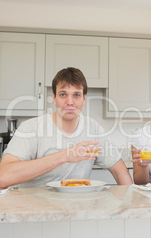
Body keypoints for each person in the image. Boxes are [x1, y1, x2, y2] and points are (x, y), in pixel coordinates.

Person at [0, 67, 132, 188]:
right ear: (54, 98)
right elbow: (3, 177)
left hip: (76, 209)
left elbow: (120, 172)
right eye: (63, 94)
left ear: (84, 99)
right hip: (33, 211)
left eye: (76, 95)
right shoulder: (31, 128)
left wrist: (131, 206)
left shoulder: (93, 129)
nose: (70, 102)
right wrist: (65, 156)